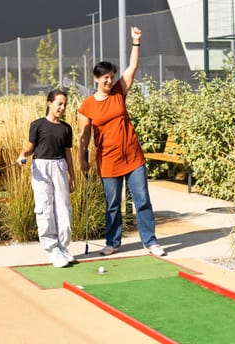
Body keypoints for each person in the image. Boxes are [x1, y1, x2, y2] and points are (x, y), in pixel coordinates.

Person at [77, 26, 166, 257]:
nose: (110, 80)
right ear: (96, 78)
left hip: (133, 157)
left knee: (142, 200)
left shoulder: (119, 92)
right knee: (113, 205)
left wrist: (136, 41)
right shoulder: (87, 105)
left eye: (112, 76)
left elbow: (132, 67)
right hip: (108, 161)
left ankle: (150, 241)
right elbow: (84, 135)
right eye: (105, 77)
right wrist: (82, 159)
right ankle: (112, 242)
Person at [16, 90, 76, 268]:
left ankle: (63, 247)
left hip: (59, 167)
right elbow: (29, 148)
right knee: (45, 208)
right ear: (49, 103)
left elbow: (68, 154)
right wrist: (21, 155)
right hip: (41, 167)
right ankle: (52, 250)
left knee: (63, 208)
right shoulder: (38, 125)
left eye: (64, 104)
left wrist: (72, 176)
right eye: (59, 104)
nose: (62, 107)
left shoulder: (66, 128)